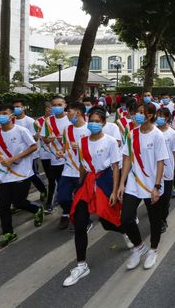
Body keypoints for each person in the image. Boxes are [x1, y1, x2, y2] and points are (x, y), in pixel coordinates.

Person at [63, 108, 123, 287]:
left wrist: (114, 190)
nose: (93, 124)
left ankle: (126, 231)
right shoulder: (82, 142)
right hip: (87, 183)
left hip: (104, 182)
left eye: (97, 121)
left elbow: (115, 168)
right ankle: (81, 265)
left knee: (108, 222)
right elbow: (83, 165)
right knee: (80, 223)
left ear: (104, 123)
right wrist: (79, 185)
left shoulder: (111, 141)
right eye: (91, 120)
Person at [117, 102, 168, 270]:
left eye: (141, 112)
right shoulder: (132, 134)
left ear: (150, 115)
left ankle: (153, 250)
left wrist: (157, 186)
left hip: (151, 184)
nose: (137, 115)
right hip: (133, 183)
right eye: (136, 112)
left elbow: (161, 162)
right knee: (126, 218)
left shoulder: (157, 135)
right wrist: (121, 184)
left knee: (155, 220)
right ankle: (139, 248)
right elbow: (126, 159)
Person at [0, 104, 44, 249]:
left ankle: (36, 210)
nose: (1, 116)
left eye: (4, 113)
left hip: (21, 173)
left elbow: (33, 147)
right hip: (3, 176)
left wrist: (14, 159)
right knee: (3, 205)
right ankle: (8, 234)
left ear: (11, 115)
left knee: (19, 202)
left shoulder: (21, 130)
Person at [57, 102, 92, 230]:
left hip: (83, 171)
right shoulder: (67, 129)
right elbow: (65, 147)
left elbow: (96, 149)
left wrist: (83, 147)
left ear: (77, 112)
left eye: (69, 111)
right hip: (68, 169)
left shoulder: (90, 129)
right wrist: (61, 152)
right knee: (62, 198)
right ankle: (69, 212)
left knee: (82, 200)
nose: (67, 114)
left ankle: (86, 221)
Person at [12, 99, 47, 202]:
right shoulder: (12, 120)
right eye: (14, 107)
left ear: (23, 107)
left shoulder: (30, 121)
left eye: (18, 106)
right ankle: (20, 201)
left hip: (30, 154)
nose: (16, 109)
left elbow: (34, 139)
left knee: (32, 175)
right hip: (16, 155)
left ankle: (43, 190)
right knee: (18, 178)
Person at [42, 95, 71, 215]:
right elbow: (44, 138)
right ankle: (60, 206)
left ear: (65, 105)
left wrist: (64, 139)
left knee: (69, 184)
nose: (57, 107)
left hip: (70, 157)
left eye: (60, 105)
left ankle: (68, 210)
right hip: (55, 157)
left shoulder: (71, 118)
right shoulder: (48, 121)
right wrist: (49, 139)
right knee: (57, 182)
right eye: (54, 105)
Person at [155, 107, 175, 232]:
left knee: (165, 199)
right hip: (154, 171)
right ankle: (157, 220)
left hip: (168, 171)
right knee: (155, 198)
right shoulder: (152, 131)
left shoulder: (172, 134)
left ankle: (163, 219)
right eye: (157, 115)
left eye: (162, 116)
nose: (159, 118)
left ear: (167, 118)